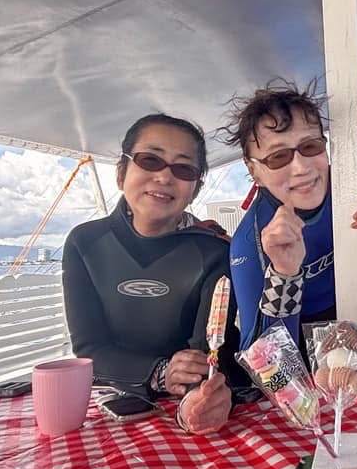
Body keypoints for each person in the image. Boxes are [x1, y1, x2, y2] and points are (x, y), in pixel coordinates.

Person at [63, 114, 248, 435]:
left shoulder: (214, 251)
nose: (164, 177)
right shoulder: (85, 242)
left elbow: (207, 353)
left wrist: (201, 396)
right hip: (114, 403)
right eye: (150, 160)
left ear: (195, 188)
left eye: (183, 168)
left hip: (188, 404)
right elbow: (89, 348)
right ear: (121, 173)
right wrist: (160, 372)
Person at [223, 82, 357, 356]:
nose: (301, 167)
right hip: (298, 346)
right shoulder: (250, 242)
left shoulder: (354, 185)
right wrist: (284, 273)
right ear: (254, 171)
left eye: (310, 146)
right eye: (278, 157)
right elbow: (262, 360)